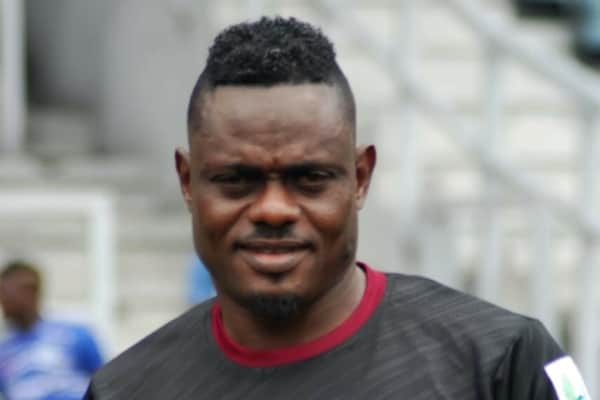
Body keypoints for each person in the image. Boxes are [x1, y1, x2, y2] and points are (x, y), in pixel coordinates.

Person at [85, 17, 590, 399]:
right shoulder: (125, 390)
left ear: (360, 178)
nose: (274, 210)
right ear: (188, 182)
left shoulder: (501, 363)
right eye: (237, 181)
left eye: (309, 179)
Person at [0, 260, 103, 400]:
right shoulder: (3, 350)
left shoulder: (75, 334)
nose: (2, 300)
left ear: (29, 291)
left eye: (5, 292)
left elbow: (104, 383)